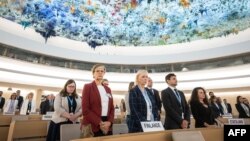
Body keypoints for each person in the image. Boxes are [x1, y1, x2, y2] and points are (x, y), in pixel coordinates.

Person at [82, 64, 114, 137]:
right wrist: (100, 123)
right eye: (97, 71)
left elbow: (112, 108)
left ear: (104, 73)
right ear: (93, 74)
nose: (100, 73)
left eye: (102, 71)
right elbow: (85, 110)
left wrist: (109, 122)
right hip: (92, 125)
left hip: (107, 124)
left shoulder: (108, 89)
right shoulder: (87, 87)